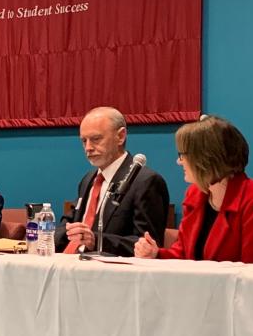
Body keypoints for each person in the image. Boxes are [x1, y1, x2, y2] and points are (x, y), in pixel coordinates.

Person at [134, 115, 253, 263]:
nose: (178, 161)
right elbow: (183, 255)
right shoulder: (194, 194)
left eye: (182, 155)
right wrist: (156, 254)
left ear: (206, 159)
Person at [55, 106, 170, 256]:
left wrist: (97, 241)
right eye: (84, 141)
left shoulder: (146, 181)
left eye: (96, 139)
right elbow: (70, 222)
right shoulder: (88, 179)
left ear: (120, 136)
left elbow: (147, 245)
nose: (88, 148)